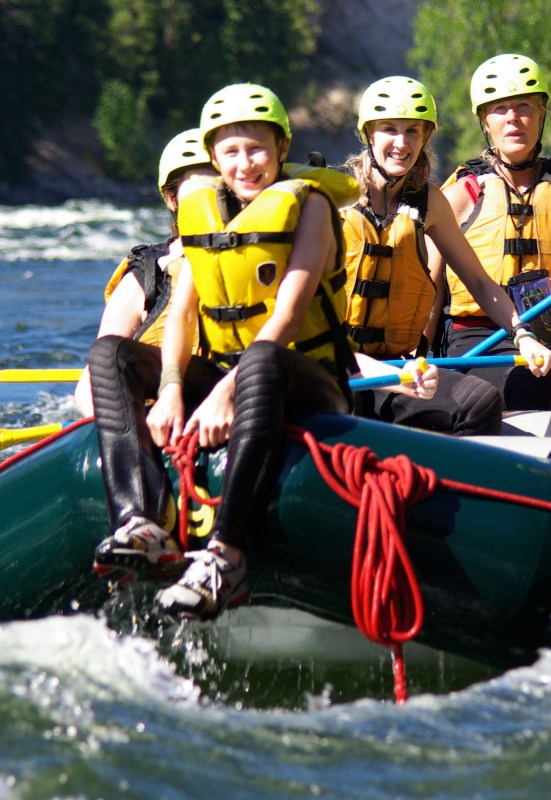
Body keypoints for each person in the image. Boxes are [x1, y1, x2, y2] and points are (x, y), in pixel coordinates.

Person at [89, 82, 374, 620]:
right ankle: (140, 520)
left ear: (282, 148)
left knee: (261, 361)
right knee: (112, 354)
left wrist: (225, 392)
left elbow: (288, 313)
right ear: (214, 157)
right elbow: (183, 313)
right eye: (231, 151)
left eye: (257, 149)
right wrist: (172, 388)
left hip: (307, 382)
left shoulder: (311, 207)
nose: (245, 164)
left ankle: (226, 555)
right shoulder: (203, 212)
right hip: (231, 373)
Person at [341, 75, 551, 435]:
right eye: (389, 129)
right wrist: (385, 375)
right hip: (337, 365)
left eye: (413, 131)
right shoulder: (335, 202)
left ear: (426, 137)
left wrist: (523, 334)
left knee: (479, 402)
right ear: (369, 135)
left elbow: (479, 282)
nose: (402, 143)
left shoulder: (430, 202)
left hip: (397, 366)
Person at [428, 53, 551, 411]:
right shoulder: (456, 198)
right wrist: (414, 360)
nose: (513, 118)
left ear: (541, 114)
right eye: (500, 109)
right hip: (481, 341)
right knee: (532, 378)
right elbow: (429, 298)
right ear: (485, 121)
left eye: (523, 106)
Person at [74, 129, 214, 415]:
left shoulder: (270, 254)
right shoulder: (148, 274)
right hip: (160, 409)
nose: (210, 201)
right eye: (198, 191)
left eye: (219, 187)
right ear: (172, 199)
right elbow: (94, 379)